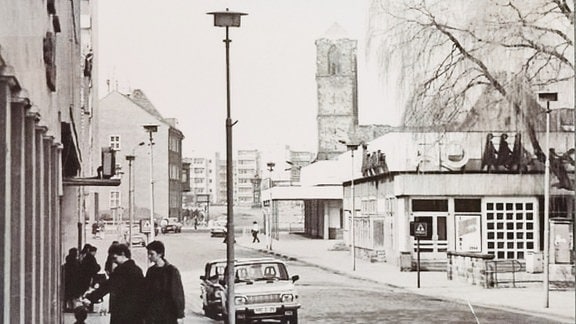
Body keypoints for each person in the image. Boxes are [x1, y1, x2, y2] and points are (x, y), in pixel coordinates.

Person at [84, 243, 145, 324]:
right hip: (137, 310)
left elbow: (108, 286)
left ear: (123, 254)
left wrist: (91, 297)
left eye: (115, 258)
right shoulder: (137, 270)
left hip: (122, 309)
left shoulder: (121, 270)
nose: (114, 261)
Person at [144, 240, 185, 324]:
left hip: (167, 315)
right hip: (152, 315)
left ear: (160, 254)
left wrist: (180, 315)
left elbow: (177, 294)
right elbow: (146, 293)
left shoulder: (171, 271)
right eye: (148, 254)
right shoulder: (151, 271)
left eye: (152, 254)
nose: (149, 256)